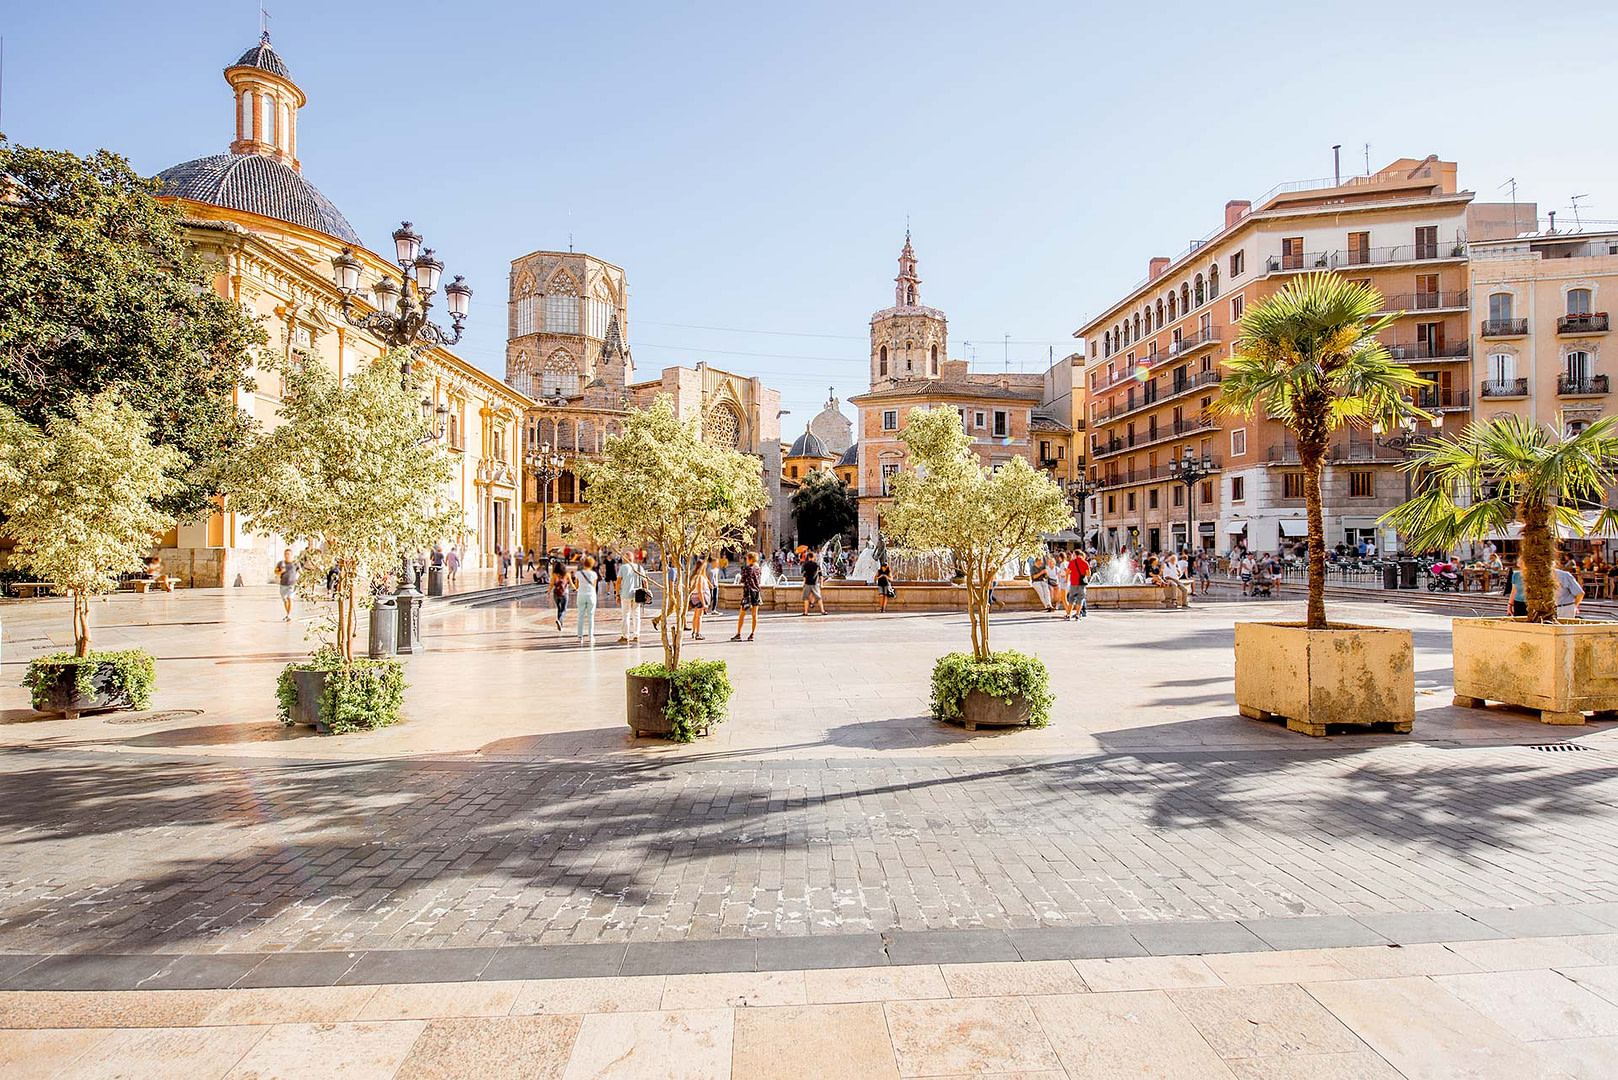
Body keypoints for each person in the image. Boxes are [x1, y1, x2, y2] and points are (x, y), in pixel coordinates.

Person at [617, 553, 648, 642]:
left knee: (625, 615)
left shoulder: (623, 568)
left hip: (625, 594)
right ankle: (636, 635)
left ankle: (625, 636)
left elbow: (618, 581)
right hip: (637, 595)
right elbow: (645, 581)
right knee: (636, 615)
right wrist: (646, 592)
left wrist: (617, 594)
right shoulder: (639, 568)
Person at [732, 552, 762, 641]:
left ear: (750, 559)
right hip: (756, 593)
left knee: (742, 614)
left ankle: (738, 634)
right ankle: (752, 634)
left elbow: (742, 580)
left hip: (748, 593)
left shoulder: (748, 569)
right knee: (754, 615)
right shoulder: (758, 568)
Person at [574, 555, 600, 645]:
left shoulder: (578, 574)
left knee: (580, 616)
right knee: (591, 617)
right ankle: (591, 636)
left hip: (581, 594)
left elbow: (576, 585)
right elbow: (594, 585)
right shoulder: (594, 574)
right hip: (591, 595)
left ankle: (579, 637)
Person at [688, 558, 712, 639]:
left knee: (696, 615)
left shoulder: (695, 576)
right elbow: (700, 590)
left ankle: (694, 631)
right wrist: (704, 603)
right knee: (699, 616)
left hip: (694, 597)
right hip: (699, 598)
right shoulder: (699, 577)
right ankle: (698, 633)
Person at [1064, 549, 1090, 620]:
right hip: (1081, 584)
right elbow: (1088, 574)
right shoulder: (1085, 563)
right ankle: (1078, 615)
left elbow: (1068, 572)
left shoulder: (1072, 562)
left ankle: (1068, 615)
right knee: (1080, 600)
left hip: (1073, 583)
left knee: (1071, 600)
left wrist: (1070, 573)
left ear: (1075, 555)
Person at [274, 548, 298, 620]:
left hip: (292, 584)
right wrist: (281, 572)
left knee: (290, 598)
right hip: (283, 584)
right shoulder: (281, 563)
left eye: (288, 554)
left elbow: (300, 571)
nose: (287, 555)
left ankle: (289, 614)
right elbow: (275, 572)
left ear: (291, 555)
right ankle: (288, 614)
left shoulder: (295, 563)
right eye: (286, 554)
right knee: (285, 599)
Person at [801, 550, 825, 615]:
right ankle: (822, 611)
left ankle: (805, 612)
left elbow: (804, 575)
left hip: (807, 583)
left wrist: (803, 583)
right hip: (815, 583)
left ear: (808, 557)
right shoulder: (817, 565)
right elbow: (821, 576)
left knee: (806, 598)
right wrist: (822, 584)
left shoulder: (805, 565)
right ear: (814, 557)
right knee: (819, 598)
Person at [551, 558, 572, 632]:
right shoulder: (567, 574)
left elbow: (551, 584)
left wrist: (548, 592)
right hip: (564, 593)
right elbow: (572, 584)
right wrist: (576, 588)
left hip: (556, 593)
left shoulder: (554, 574)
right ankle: (560, 621)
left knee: (559, 609)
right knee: (564, 609)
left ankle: (560, 625)